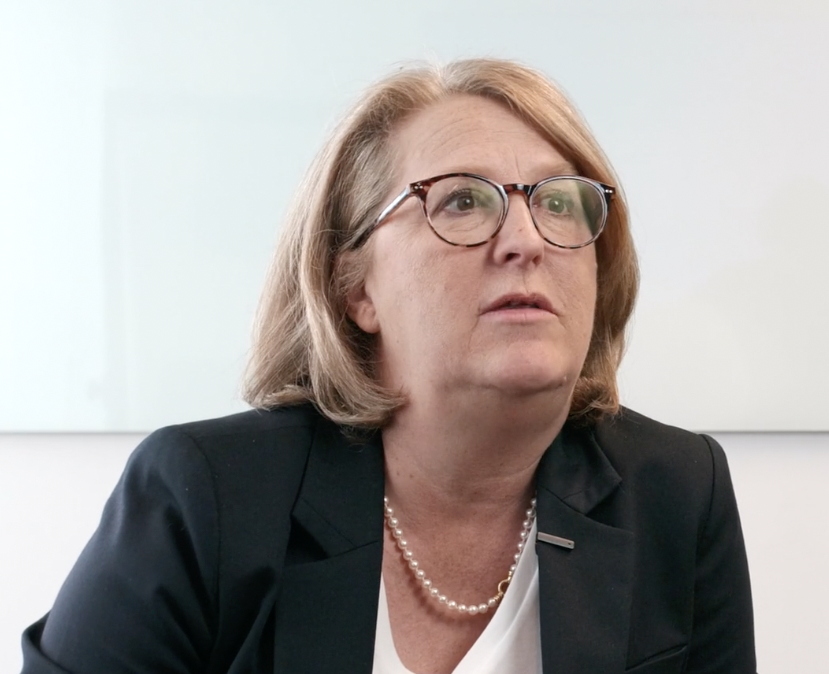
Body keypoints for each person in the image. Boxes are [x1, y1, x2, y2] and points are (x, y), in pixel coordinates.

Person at [21, 58, 756, 674]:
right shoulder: (205, 499)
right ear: (355, 289)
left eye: (560, 203)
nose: (528, 240)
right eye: (463, 201)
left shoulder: (677, 493)